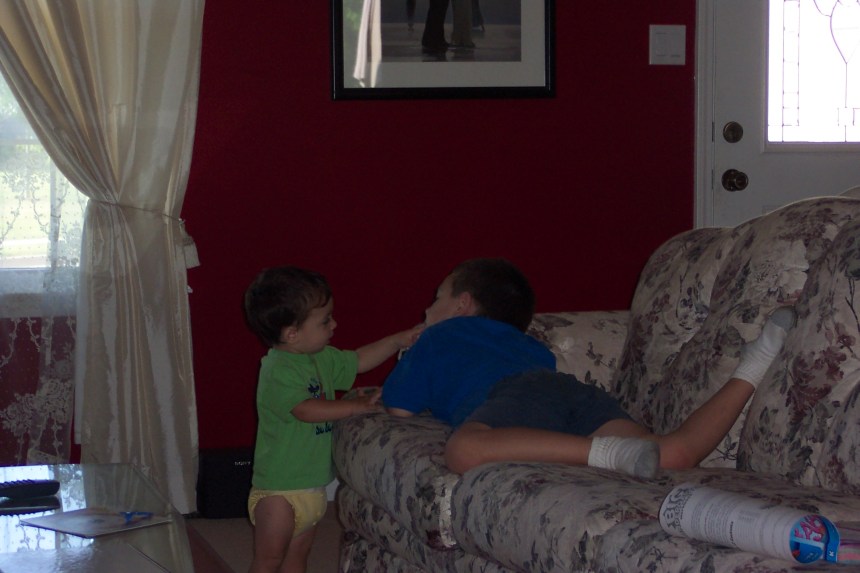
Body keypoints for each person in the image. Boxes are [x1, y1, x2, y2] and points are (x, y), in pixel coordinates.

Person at [382, 258, 795, 478]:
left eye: (437, 297)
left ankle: (606, 452)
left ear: (462, 305)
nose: (427, 309)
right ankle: (755, 364)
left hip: (514, 395)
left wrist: (407, 355)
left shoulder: (439, 335)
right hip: (568, 390)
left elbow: (399, 408)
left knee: (463, 450)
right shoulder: (530, 347)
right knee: (673, 453)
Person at [244, 266, 422, 573]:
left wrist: (398, 340)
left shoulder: (320, 356)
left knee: (298, 557)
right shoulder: (279, 370)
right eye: (325, 320)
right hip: (279, 491)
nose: (334, 324)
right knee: (269, 559)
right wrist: (352, 407)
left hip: (311, 487)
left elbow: (359, 360)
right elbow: (305, 409)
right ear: (292, 334)